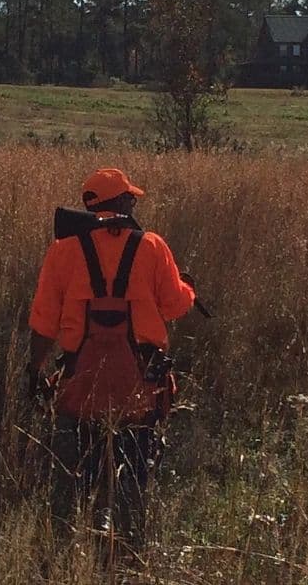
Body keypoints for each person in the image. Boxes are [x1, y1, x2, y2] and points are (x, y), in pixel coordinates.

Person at [27, 166, 200, 546]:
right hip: (140, 376)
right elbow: (173, 306)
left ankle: (91, 524)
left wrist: (34, 369)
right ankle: (131, 533)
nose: (134, 202)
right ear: (120, 202)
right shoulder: (152, 245)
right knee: (137, 455)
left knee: (90, 452)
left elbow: (44, 321)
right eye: (130, 197)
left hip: (82, 375)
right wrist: (188, 288)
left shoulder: (63, 250)